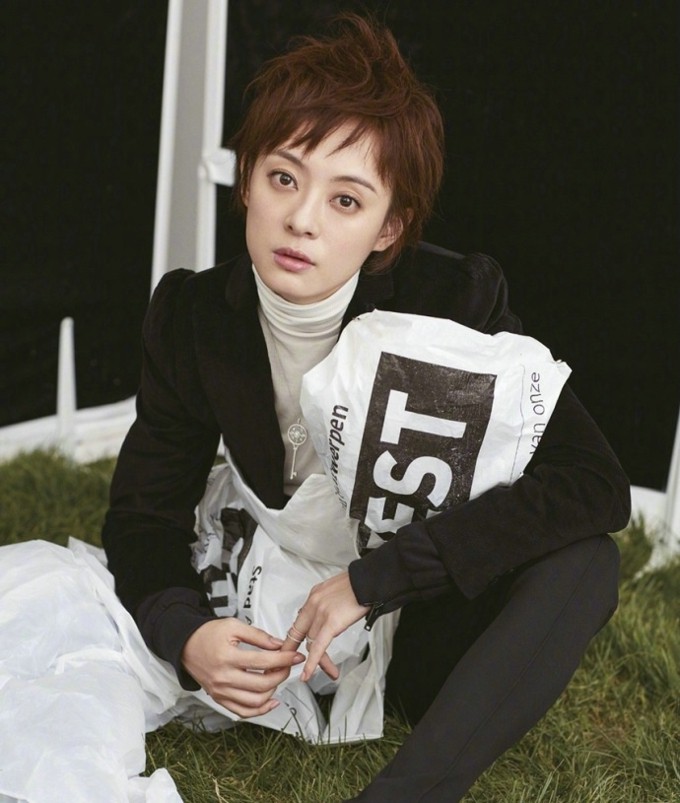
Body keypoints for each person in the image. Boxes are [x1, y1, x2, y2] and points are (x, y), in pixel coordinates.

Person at [102, 14, 630, 802]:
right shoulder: (192, 315)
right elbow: (143, 514)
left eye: (346, 199)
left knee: (588, 561)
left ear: (389, 227)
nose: (303, 219)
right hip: (272, 596)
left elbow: (594, 483)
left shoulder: (453, 300)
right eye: (284, 179)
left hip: (416, 607)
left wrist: (374, 581)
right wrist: (189, 635)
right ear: (245, 181)